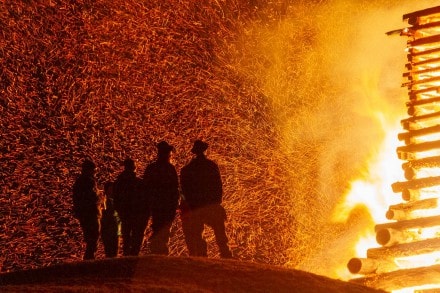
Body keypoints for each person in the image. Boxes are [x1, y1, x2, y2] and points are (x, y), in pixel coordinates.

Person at [180, 140, 232, 258]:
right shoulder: (211, 166)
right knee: (219, 231)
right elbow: (218, 186)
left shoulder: (187, 169)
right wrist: (217, 203)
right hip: (211, 205)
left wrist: (188, 205)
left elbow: (183, 190)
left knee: (197, 234)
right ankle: (225, 253)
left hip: (196, 206)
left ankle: (202, 256)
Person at [143, 141, 179, 255]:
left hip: (155, 206)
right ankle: (160, 252)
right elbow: (175, 189)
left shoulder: (151, 168)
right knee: (164, 230)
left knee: (158, 228)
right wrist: (175, 205)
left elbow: (145, 188)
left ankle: (156, 251)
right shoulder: (170, 169)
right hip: (166, 206)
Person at [113, 158, 148, 256]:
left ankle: (126, 255)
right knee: (137, 235)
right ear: (134, 167)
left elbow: (115, 199)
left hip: (125, 214)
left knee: (126, 237)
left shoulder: (119, 182)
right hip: (137, 214)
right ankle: (134, 254)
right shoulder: (138, 182)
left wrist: (120, 211)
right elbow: (144, 199)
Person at [72, 159, 101, 260]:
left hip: (83, 214)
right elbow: (92, 197)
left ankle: (89, 257)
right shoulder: (89, 181)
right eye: (94, 170)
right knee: (94, 235)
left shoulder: (79, 182)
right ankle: (89, 258)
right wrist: (98, 197)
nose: (95, 172)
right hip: (91, 213)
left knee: (90, 237)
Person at [100, 181, 120, 258]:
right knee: (109, 248)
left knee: (115, 247)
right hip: (107, 227)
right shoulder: (104, 201)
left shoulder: (115, 200)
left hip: (115, 227)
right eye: (110, 189)